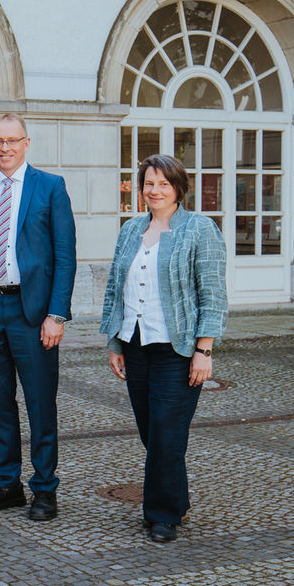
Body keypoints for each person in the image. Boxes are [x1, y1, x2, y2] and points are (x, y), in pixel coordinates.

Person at [99, 153, 227, 543]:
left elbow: (213, 292)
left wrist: (204, 350)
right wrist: (115, 341)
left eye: (163, 184)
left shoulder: (199, 229)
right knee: (151, 432)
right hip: (136, 344)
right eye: (148, 184)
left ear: (178, 189)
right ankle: (175, 499)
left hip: (178, 348)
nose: (155, 191)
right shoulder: (131, 229)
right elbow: (113, 287)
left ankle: (163, 514)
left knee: (167, 433)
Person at [0, 113, 76, 522]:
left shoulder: (50, 188)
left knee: (40, 404)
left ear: (27, 142)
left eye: (11, 140)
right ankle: (7, 483)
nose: (4, 148)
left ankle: (45, 489)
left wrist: (57, 315)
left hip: (33, 312)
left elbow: (65, 256)